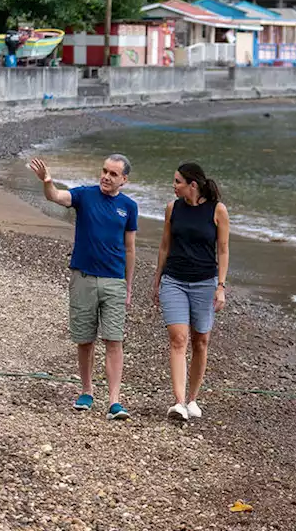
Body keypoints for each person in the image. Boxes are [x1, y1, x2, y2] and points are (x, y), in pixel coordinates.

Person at [29, 154, 138, 420]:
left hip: (114, 280)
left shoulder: (129, 207)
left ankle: (114, 401)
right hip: (83, 277)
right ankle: (86, 391)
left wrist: (128, 286)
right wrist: (47, 181)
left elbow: (130, 248)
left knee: (114, 340)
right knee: (84, 339)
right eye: (104, 171)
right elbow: (55, 196)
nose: (106, 177)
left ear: (124, 179)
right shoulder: (84, 196)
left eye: (113, 174)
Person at [152, 162, 229, 421]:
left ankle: (193, 399)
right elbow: (164, 246)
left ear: (192, 185)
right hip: (174, 280)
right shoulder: (172, 209)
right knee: (178, 339)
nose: (173, 186)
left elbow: (224, 251)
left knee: (200, 341)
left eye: (177, 182)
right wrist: (157, 279)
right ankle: (179, 402)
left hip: (205, 283)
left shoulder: (217, 211)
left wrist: (221, 287)